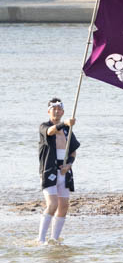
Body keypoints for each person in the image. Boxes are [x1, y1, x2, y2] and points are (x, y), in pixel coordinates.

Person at [39, 98, 79, 244]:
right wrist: (65, 123)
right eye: (53, 109)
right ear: (49, 111)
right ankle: (41, 239)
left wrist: (69, 165)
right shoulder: (44, 126)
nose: (56, 111)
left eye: (59, 109)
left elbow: (73, 151)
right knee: (52, 204)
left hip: (64, 172)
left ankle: (54, 239)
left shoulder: (68, 130)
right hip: (49, 171)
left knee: (64, 206)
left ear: (62, 111)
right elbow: (50, 132)